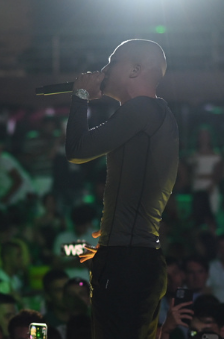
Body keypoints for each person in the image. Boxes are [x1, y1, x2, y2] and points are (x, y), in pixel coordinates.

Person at [68, 39, 179, 339]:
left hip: (127, 261)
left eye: (112, 61)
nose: (103, 69)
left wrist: (80, 95)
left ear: (135, 70)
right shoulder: (157, 113)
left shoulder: (142, 108)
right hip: (135, 258)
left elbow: (76, 149)